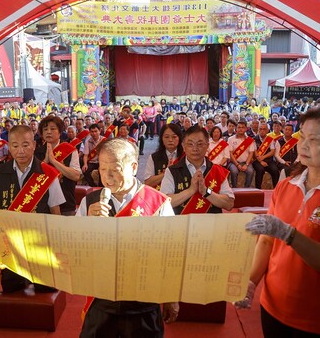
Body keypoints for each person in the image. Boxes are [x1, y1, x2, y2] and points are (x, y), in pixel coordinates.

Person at [236, 105, 320, 337]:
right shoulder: (286, 184)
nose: (304, 145)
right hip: (273, 307)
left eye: (315, 139)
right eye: (302, 136)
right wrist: (251, 282)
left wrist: (290, 235)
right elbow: (267, 242)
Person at [76, 138, 179, 337]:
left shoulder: (157, 202)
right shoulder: (89, 203)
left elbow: (170, 252)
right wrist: (88, 224)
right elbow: (77, 251)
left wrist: (170, 297)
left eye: (114, 169)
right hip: (102, 301)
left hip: (143, 302)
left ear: (133, 167)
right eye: (103, 169)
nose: (107, 176)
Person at [0, 125, 65, 292]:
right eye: (15, 146)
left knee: (45, 290)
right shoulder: (0, 172)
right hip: (11, 245)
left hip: (41, 244)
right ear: (9, 146)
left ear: (34, 145)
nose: (20, 151)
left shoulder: (47, 173)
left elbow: (56, 212)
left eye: (26, 145)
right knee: (11, 288)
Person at [161, 126, 234, 215]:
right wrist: (190, 191)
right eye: (190, 144)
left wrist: (206, 191)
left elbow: (229, 204)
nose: (195, 148)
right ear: (183, 146)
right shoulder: (172, 171)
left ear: (207, 146)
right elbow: (164, 203)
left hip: (211, 225)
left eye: (200, 144)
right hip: (181, 225)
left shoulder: (217, 171)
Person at [36, 115, 81, 216]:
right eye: (45, 129)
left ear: (60, 132)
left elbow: (76, 176)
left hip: (66, 201)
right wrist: (45, 161)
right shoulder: (37, 152)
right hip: (42, 204)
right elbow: (33, 178)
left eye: (52, 129)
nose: (48, 132)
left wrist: (54, 161)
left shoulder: (69, 150)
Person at [144, 123, 183, 190]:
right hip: (160, 196)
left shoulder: (186, 156)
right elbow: (148, 182)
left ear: (179, 138)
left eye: (174, 137)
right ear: (161, 139)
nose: (170, 140)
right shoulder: (154, 157)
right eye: (166, 137)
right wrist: (166, 172)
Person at [228, 121, 256, 188]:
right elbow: (230, 153)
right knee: (234, 171)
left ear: (246, 129)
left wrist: (246, 164)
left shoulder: (250, 140)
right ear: (236, 129)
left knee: (250, 171)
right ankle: (234, 189)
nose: (240, 129)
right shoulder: (231, 139)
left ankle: (247, 189)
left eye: (243, 127)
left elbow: (251, 153)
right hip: (234, 162)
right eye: (239, 127)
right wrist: (237, 164)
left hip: (246, 162)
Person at [252, 123, 280, 189]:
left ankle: (276, 190)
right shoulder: (254, 139)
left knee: (275, 170)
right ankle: (258, 190)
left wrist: (263, 157)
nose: (262, 131)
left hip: (269, 160)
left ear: (267, 130)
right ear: (258, 130)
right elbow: (254, 152)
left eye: (264, 129)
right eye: (260, 129)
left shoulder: (270, 139)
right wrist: (261, 161)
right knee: (260, 170)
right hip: (257, 161)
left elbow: (272, 151)